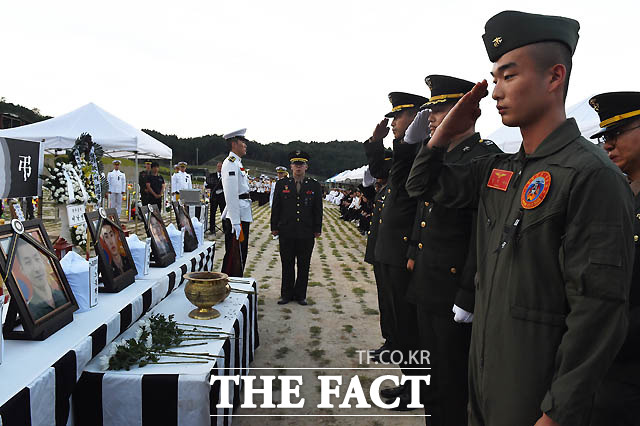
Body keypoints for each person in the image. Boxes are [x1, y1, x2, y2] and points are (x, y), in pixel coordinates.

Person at [406, 11, 633, 426]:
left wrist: (557, 412)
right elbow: (422, 184)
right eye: (494, 79)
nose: (495, 92)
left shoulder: (591, 176)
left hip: (534, 392)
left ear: (553, 77)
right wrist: (446, 129)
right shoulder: (500, 169)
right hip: (485, 374)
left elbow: (598, 313)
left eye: (508, 76)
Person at [404, 74, 501, 425]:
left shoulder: (485, 157)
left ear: (468, 113)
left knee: (452, 381)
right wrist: (415, 249)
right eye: (432, 110)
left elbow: (481, 232)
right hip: (429, 280)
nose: (431, 117)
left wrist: (467, 292)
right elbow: (422, 206)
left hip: (453, 287)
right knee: (432, 375)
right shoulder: (440, 156)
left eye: (442, 109)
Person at [364, 91, 428, 410]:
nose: (391, 124)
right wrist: (375, 142)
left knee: (410, 327)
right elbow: (380, 169)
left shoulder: (418, 151)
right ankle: (409, 383)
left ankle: (415, 390)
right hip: (390, 252)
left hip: (404, 252)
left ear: (415, 117)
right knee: (400, 324)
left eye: (397, 118)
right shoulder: (404, 153)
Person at [587, 92, 640, 426]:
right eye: (604, 135)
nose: (608, 144)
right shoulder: (618, 197)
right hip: (608, 365)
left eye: (618, 132)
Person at [271, 151, 323, 305]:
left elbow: (318, 209)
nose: (298, 167)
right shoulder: (282, 184)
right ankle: (286, 294)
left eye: (301, 164)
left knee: (303, 264)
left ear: (306, 166)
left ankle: (300, 295)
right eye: (295, 164)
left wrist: (317, 228)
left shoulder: (314, 185)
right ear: (291, 166)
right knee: (287, 264)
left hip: (306, 232)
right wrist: (274, 227)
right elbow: (276, 208)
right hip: (287, 230)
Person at [221, 128, 253, 274]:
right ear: (234, 144)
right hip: (237, 216)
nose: (245, 145)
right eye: (242, 142)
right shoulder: (231, 163)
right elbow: (231, 193)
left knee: (240, 254)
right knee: (235, 255)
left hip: (242, 213)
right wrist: (235, 221)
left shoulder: (237, 163)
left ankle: (235, 281)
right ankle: (230, 283)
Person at [15, 239, 67, 321]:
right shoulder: (32, 312)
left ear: (43, 261)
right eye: (28, 262)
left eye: (37, 259)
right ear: (23, 270)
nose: (36, 268)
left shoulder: (64, 297)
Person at [206, 162, 225, 234]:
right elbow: (209, 184)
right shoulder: (212, 175)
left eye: (221, 167)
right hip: (214, 197)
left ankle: (225, 228)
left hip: (222, 197)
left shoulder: (225, 175)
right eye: (218, 166)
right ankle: (212, 228)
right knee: (212, 213)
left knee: (223, 213)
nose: (219, 168)